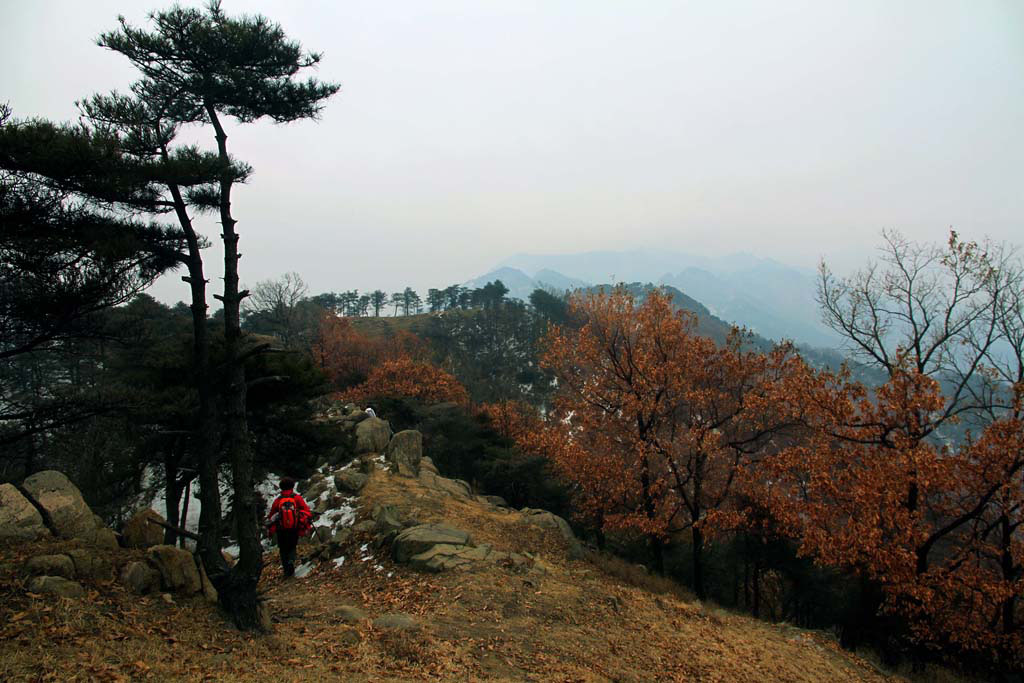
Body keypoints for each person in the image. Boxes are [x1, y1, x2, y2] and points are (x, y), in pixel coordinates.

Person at [266, 477, 312, 577]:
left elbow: (271, 516)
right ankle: (291, 561)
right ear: (292, 486)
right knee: (292, 546)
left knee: (283, 549)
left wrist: (270, 529)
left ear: (281, 488)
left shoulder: (278, 500)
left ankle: (286, 570)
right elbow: (306, 511)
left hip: (281, 529)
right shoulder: (297, 498)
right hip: (294, 528)